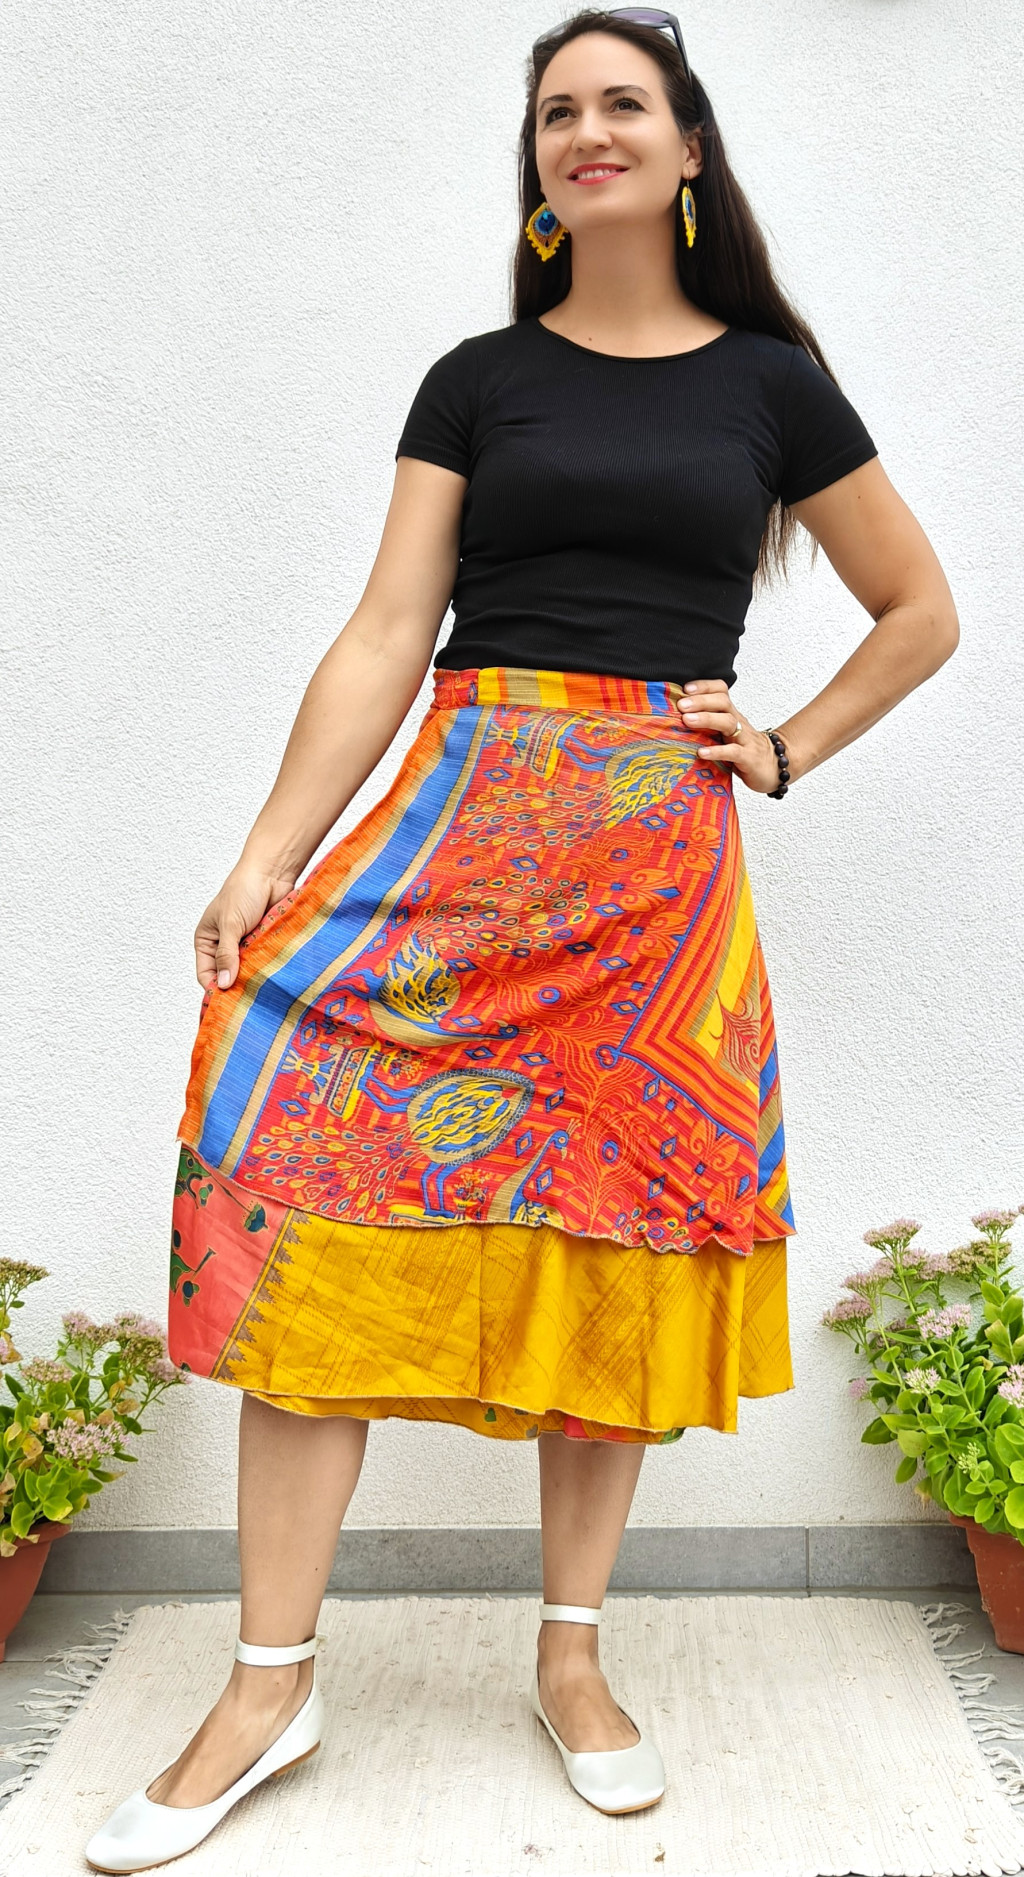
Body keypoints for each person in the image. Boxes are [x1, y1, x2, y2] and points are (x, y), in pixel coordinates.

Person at [85, 8, 959, 1869]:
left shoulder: (773, 386)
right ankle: (266, 1682)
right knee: (305, 1175)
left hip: (652, 882)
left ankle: (573, 1655)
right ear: (539, 163)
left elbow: (920, 608)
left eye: (623, 102)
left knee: (613, 1230)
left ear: (690, 146)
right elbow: (388, 629)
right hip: (463, 832)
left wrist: (783, 742)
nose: (587, 130)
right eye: (558, 110)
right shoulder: (479, 379)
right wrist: (265, 856)